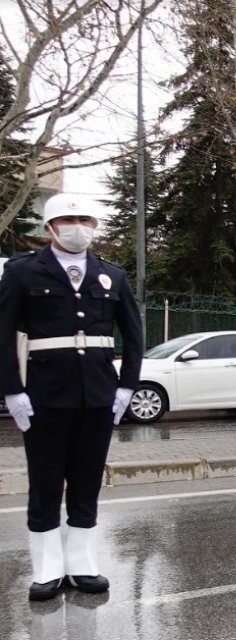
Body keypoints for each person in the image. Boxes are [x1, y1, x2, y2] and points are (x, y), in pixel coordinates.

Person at [0, 193, 144, 600]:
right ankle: (47, 567)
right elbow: (3, 334)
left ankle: (81, 562)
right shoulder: (22, 272)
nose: (78, 226)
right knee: (45, 482)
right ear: (49, 228)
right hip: (44, 395)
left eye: (85, 219)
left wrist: (127, 384)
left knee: (86, 481)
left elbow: (133, 334)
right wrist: (12, 390)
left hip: (97, 393)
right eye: (68, 219)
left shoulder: (111, 275)